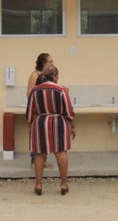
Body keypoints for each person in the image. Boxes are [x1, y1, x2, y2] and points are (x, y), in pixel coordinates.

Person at [26, 66, 76, 196]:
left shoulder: (35, 90)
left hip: (40, 123)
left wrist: (31, 125)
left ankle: (38, 184)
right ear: (54, 75)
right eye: (58, 76)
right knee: (61, 153)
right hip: (58, 122)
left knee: (39, 154)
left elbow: (30, 112)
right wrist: (73, 126)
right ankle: (64, 184)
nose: (58, 78)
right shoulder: (61, 90)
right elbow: (69, 111)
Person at [27, 53, 54, 169]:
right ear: (43, 63)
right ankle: (34, 161)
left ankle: (44, 159)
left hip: (46, 109)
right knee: (35, 135)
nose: (52, 64)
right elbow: (30, 93)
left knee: (45, 135)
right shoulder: (35, 75)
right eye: (50, 61)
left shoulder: (48, 75)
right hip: (37, 110)